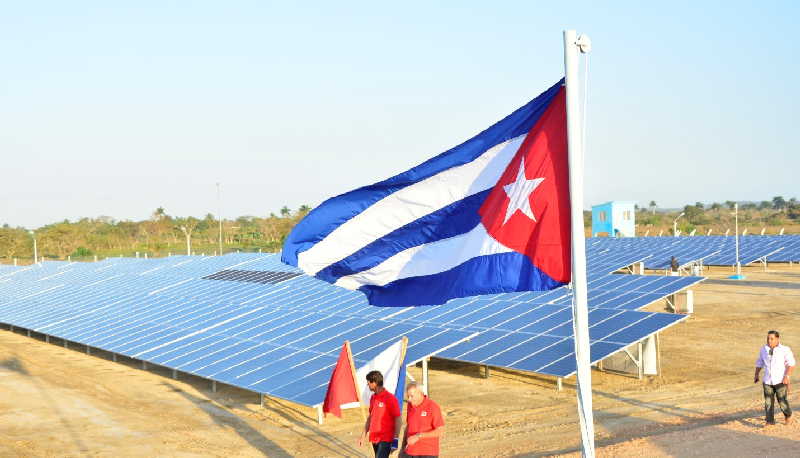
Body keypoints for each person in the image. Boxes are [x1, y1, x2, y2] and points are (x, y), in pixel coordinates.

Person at [754, 330, 796, 425]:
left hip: (781, 380)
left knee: (782, 401)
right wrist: (756, 374)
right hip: (767, 380)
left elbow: (791, 364)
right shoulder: (763, 349)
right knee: (768, 402)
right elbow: (760, 362)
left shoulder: (785, 349)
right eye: (768, 338)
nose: (769, 340)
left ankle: (788, 415)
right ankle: (770, 421)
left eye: (772, 339)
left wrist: (787, 376)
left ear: (777, 339)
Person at [358, 370, 401, 458]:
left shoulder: (390, 398)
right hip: (374, 438)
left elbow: (398, 419)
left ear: (374, 383)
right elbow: (370, 417)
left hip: (385, 439)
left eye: (368, 383)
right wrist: (363, 435)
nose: (368, 385)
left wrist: (395, 440)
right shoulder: (373, 398)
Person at [402, 383, 444, 458]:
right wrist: (402, 448)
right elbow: (408, 426)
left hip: (428, 453)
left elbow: (440, 431)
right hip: (410, 452)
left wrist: (419, 436)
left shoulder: (433, 407)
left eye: (411, 396)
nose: (409, 399)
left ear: (420, 393)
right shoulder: (410, 405)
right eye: (408, 396)